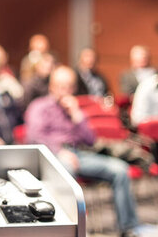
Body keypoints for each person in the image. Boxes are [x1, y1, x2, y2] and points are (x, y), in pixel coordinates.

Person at [25, 66, 140, 237]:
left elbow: (91, 140)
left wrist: (77, 115)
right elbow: (34, 137)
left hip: (79, 154)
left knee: (120, 170)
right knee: (67, 170)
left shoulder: (74, 108)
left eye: (70, 86)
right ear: (51, 86)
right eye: (61, 86)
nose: (66, 91)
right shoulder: (39, 107)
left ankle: (128, 228)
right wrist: (59, 151)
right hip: (53, 157)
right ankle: (72, 229)